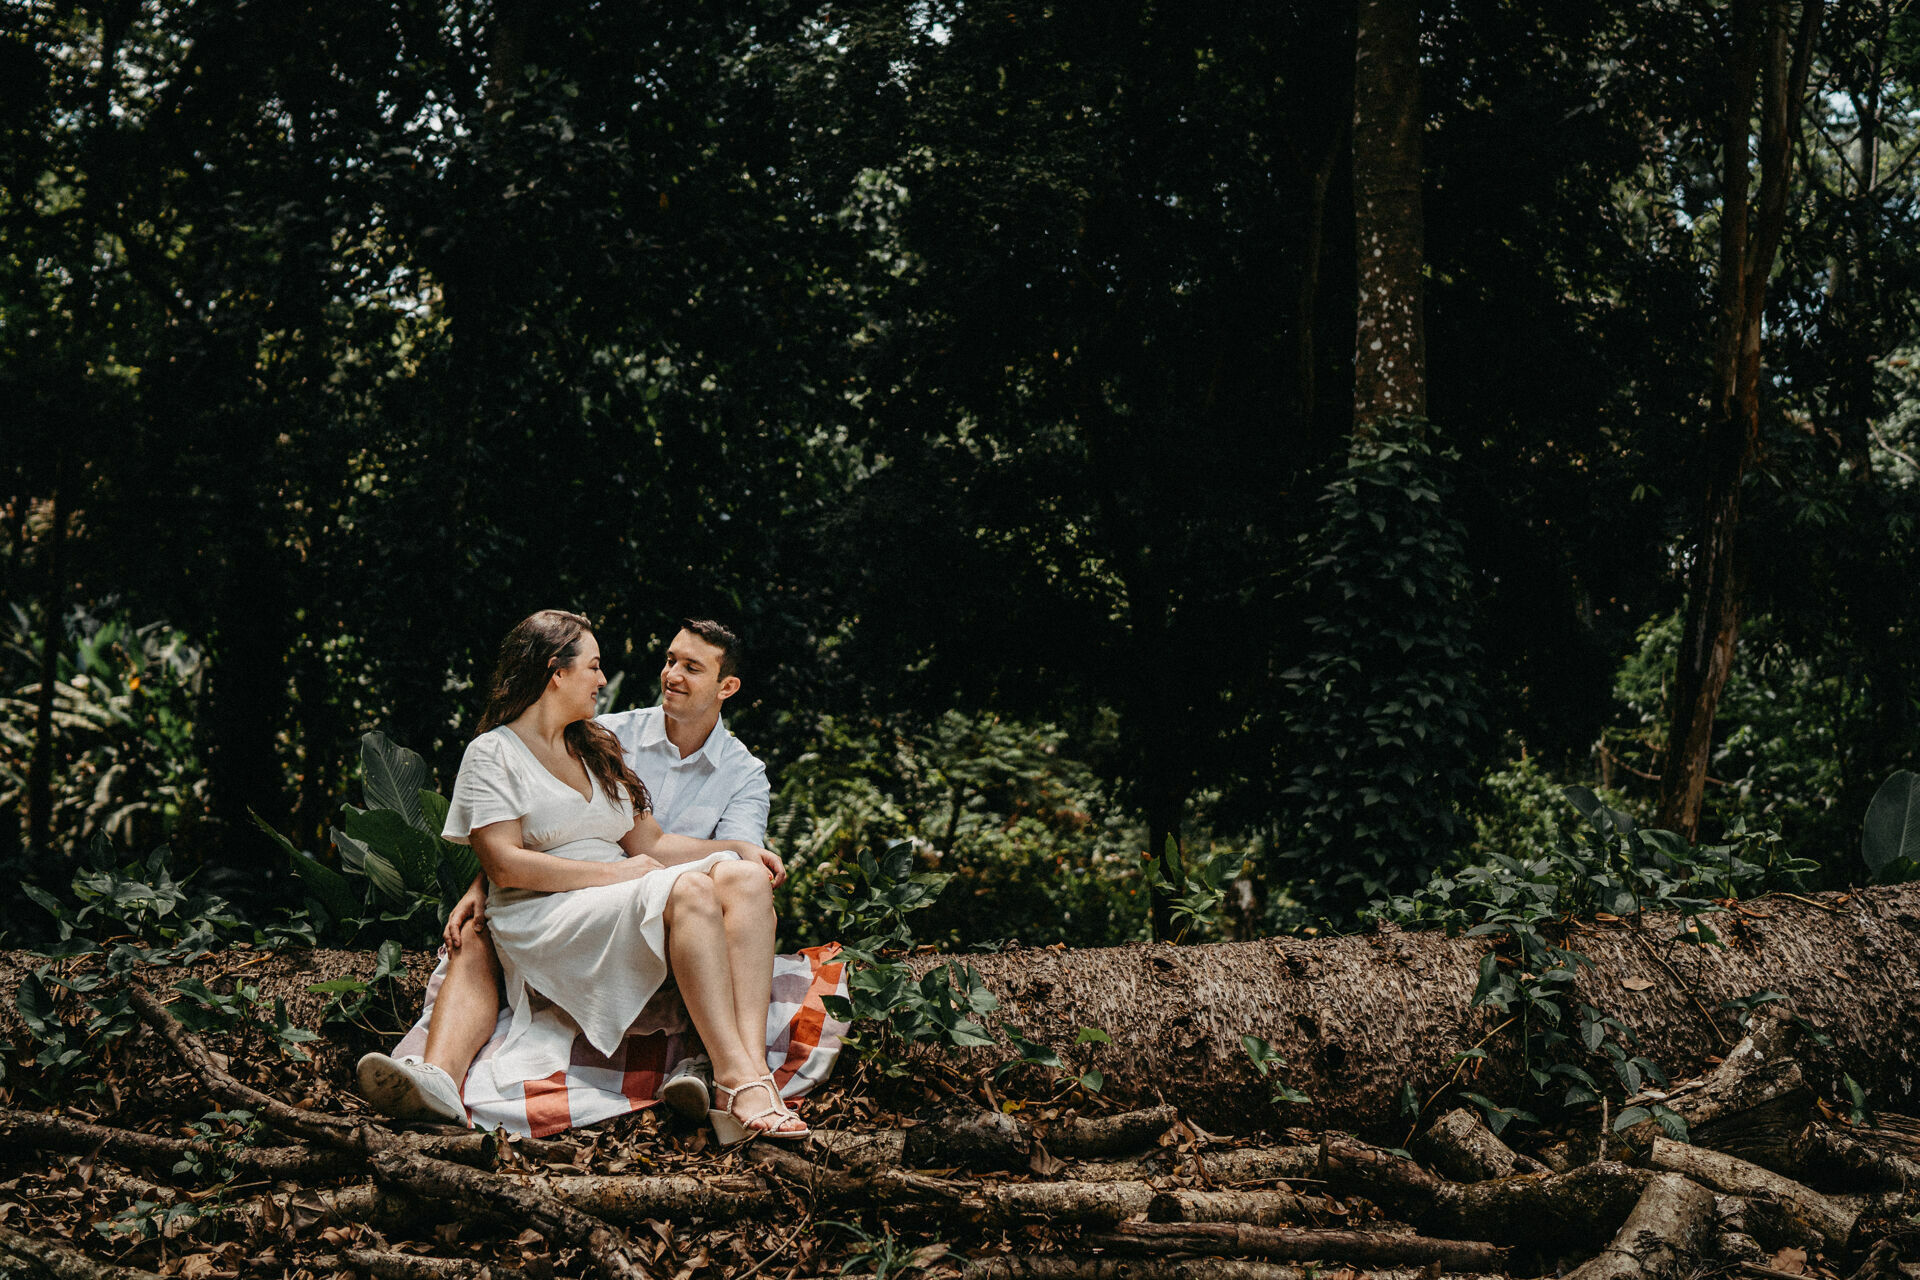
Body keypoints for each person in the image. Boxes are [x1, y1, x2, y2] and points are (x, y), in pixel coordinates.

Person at [355, 610, 803, 1142]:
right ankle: (733, 1078)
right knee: (689, 888)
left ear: (726, 685)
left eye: (691, 666)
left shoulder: (597, 745)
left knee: (745, 879)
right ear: (555, 672)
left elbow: (651, 845)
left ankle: (747, 1077)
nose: (601, 679)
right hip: (545, 906)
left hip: (614, 892)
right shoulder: (493, 752)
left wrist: (738, 847)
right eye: (593, 667)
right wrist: (605, 878)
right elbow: (502, 861)